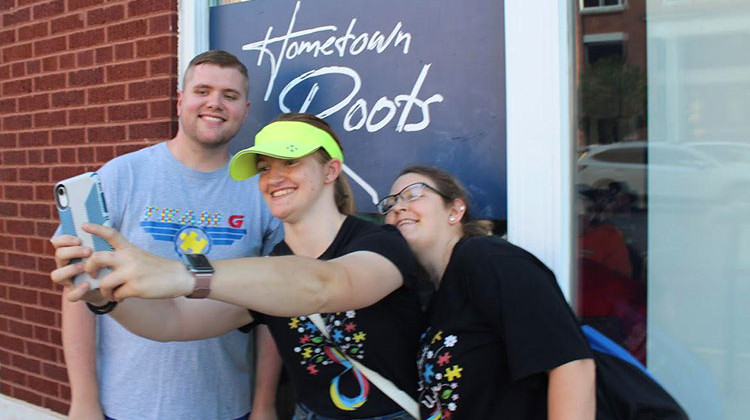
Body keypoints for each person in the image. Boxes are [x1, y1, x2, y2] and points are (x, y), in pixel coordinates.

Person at [52, 113, 423, 420]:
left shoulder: (379, 242)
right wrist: (105, 297)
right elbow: (173, 322)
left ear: (330, 171)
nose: (274, 177)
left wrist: (182, 273)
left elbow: (324, 284)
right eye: (265, 167)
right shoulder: (266, 268)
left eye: (291, 161)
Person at [55, 50, 284, 420]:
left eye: (229, 95)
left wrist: (264, 405)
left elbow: (274, 308)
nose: (215, 103)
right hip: (126, 405)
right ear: (180, 100)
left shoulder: (260, 192)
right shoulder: (122, 176)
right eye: (203, 90)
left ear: (245, 108)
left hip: (227, 406)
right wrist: (83, 401)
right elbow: (80, 291)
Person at [380, 166, 596, 419]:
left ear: (455, 210)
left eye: (414, 194)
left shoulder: (486, 258)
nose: (398, 207)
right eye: (390, 203)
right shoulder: (433, 296)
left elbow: (571, 365)